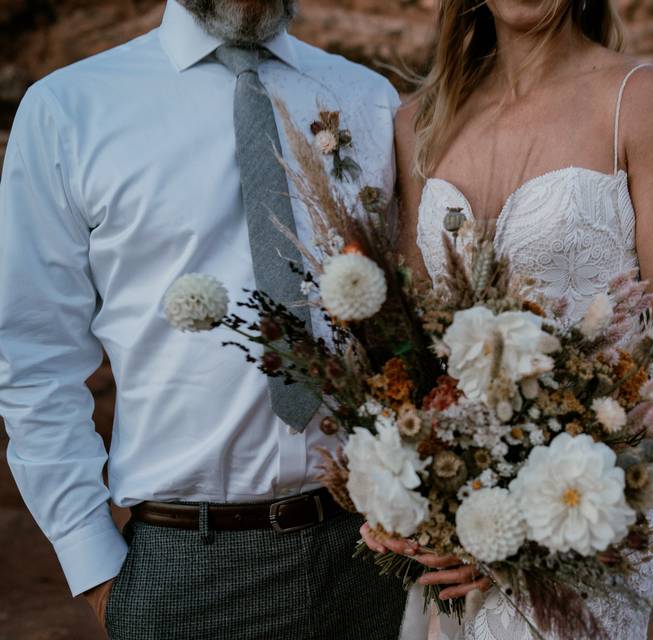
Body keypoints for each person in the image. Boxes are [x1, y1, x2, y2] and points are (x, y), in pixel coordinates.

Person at [0, 1, 406, 638]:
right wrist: (98, 571)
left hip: (371, 556)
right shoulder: (69, 110)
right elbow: (32, 357)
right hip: (184, 570)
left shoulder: (369, 100)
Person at [379, 0, 653, 637]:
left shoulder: (640, 100)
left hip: (582, 508)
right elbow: (413, 348)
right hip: (449, 526)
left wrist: (526, 529)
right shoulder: (418, 122)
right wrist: (399, 489)